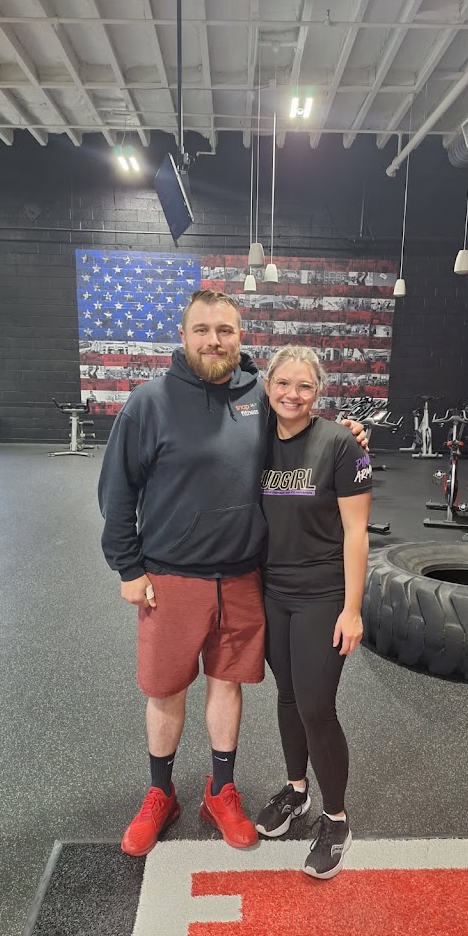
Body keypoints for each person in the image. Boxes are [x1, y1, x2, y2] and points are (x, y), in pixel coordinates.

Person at [98, 290, 367, 858]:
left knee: (227, 684)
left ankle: (221, 791)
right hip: (170, 576)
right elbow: (116, 491)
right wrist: (128, 566)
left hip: (244, 576)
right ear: (183, 335)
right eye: (202, 330)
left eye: (225, 330)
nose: (213, 340)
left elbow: (301, 429)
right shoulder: (149, 403)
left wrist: (347, 438)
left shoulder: (257, 397)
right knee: (166, 689)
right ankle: (160, 793)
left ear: (241, 337)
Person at [254, 345, 373, 879]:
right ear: (268, 386)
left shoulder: (341, 444)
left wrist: (353, 609)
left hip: (322, 595)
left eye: (304, 386)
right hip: (271, 592)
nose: (292, 394)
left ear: (318, 391)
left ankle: (337, 819)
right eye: (283, 383)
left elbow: (356, 532)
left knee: (316, 706)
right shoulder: (257, 441)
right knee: (287, 695)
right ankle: (296, 790)